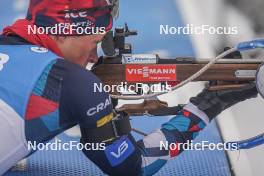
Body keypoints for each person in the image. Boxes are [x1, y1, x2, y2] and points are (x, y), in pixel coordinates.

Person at [0, 0, 258, 175]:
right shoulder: (74, 84)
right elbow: (134, 166)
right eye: (94, 42)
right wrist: (208, 106)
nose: (93, 57)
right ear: (63, 32)